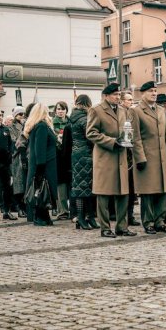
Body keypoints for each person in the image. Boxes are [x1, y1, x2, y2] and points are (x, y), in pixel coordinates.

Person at [86, 82, 136, 237]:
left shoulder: (123, 110)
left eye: (118, 94)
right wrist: (112, 141)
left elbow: (127, 128)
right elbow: (91, 133)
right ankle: (105, 228)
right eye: (114, 95)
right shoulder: (96, 110)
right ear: (106, 96)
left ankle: (122, 226)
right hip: (105, 157)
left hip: (121, 156)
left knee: (123, 193)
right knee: (104, 194)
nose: (117, 97)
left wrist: (128, 139)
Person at [132, 81, 166, 234]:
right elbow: (135, 137)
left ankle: (160, 221)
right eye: (151, 91)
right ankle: (148, 222)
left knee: (163, 190)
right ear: (143, 93)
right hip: (147, 157)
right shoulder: (137, 111)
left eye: (155, 91)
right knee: (148, 191)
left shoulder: (162, 110)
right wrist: (140, 157)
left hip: (162, 157)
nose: (154, 93)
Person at [63, 94, 97, 230]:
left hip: (77, 154)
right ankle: (83, 218)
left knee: (83, 187)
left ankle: (88, 217)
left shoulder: (73, 117)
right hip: (86, 154)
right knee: (84, 188)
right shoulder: (84, 118)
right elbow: (90, 136)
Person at [24, 103, 57, 226]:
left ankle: (43, 216)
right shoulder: (42, 126)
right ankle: (40, 216)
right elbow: (40, 148)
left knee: (41, 190)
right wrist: (41, 169)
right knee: (42, 190)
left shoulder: (37, 126)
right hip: (44, 164)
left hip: (41, 163)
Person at [120, 91, 140, 226]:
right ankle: (122, 215)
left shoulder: (132, 113)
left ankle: (130, 215)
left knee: (132, 188)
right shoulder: (120, 113)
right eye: (128, 100)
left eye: (132, 100)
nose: (131, 102)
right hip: (123, 152)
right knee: (124, 187)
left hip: (132, 153)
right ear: (122, 101)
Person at [53, 101, 71, 220]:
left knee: (70, 183)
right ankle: (62, 210)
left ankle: (72, 209)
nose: (60, 111)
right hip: (57, 156)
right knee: (61, 185)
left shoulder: (70, 123)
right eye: (58, 109)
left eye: (63, 109)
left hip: (69, 155)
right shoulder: (51, 123)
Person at [8, 106, 27, 217]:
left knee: (25, 182)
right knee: (18, 182)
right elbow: (15, 141)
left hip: (26, 155)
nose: (22, 116)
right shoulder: (11, 127)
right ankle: (18, 206)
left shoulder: (26, 125)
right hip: (17, 156)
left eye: (23, 114)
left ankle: (25, 205)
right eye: (20, 114)